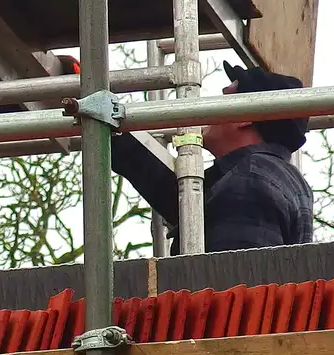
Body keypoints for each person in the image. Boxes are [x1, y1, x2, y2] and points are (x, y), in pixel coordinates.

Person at [111, 63, 315, 253]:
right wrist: (109, 124)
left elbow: (231, 282)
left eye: (225, 98)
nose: (212, 105)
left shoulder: (249, 181)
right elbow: (179, 199)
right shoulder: (264, 176)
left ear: (245, 118)